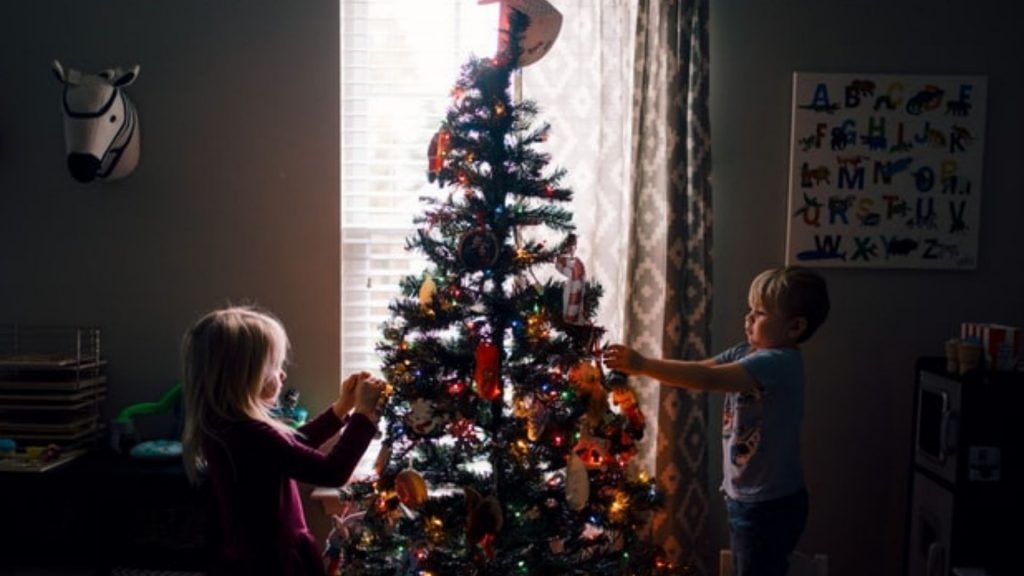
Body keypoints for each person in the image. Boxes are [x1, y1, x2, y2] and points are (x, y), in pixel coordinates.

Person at [605, 266, 829, 576]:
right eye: (750, 309)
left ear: (794, 327)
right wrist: (646, 368)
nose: (749, 318)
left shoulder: (777, 363)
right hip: (748, 497)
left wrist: (643, 365)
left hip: (768, 505)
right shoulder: (747, 352)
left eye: (760, 313)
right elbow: (699, 370)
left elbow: (708, 378)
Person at [181, 305, 385, 576]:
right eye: (275, 367)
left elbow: (292, 445)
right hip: (274, 562)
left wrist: (341, 409)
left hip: (251, 557)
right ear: (247, 376)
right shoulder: (253, 434)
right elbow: (332, 472)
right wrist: (363, 414)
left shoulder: (227, 427)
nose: (283, 374)